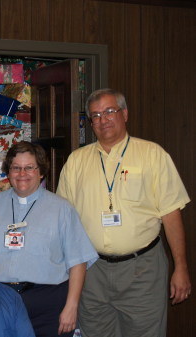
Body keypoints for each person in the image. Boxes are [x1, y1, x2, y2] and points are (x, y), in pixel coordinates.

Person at [56, 88, 191, 337]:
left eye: (109, 111)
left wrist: (180, 268)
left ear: (125, 114)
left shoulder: (153, 155)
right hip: (91, 270)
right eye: (95, 115)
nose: (103, 119)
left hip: (142, 270)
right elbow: (64, 220)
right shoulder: (76, 161)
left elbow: (171, 215)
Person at [0, 141, 98, 337]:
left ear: (41, 171)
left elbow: (78, 262)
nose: (22, 173)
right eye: (16, 168)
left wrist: (71, 306)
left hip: (48, 305)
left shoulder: (61, 209)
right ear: (8, 172)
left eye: (29, 168)